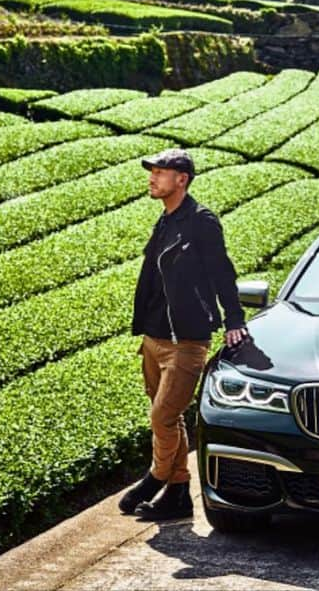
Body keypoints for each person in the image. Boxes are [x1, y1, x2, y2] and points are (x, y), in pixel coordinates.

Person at [119, 147, 250, 521]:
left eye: (160, 172)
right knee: (169, 419)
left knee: (162, 416)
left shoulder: (201, 222)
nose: (152, 178)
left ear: (182, 179)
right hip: (154, 338)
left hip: (186, 340)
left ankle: (156, 477)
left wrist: (234, 320)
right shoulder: (164, 221)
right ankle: (178, 495)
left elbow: (223, 273)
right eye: (152, 171)